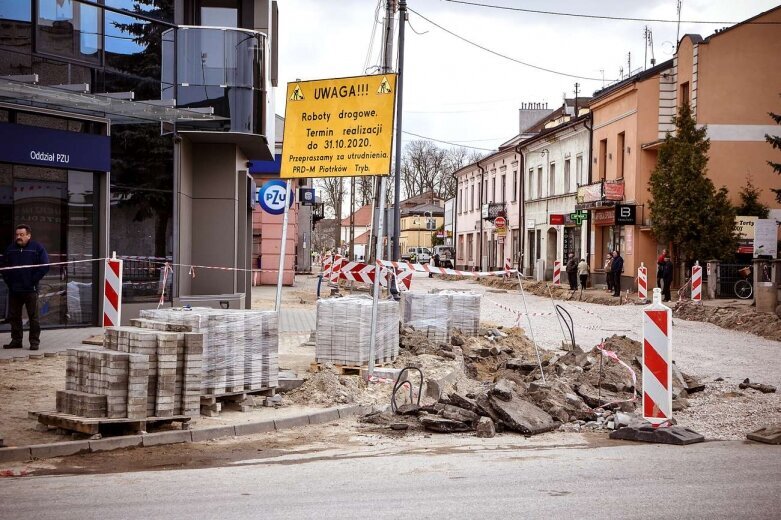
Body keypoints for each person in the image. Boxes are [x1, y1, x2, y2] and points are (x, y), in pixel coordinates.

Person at [2, 225, 49, 350]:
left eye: (21, 235)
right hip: (14, 290)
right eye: (17, 235)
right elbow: (4, 267)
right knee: (14, 317)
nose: (18, 237)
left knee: (33, 317)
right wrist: (9, 282)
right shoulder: (10, 249)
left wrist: (32, 280)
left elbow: (45, 266)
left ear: (28, 235)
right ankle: (16, 340)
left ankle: (34, 342)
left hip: (30, 290)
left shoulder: (37, 248)